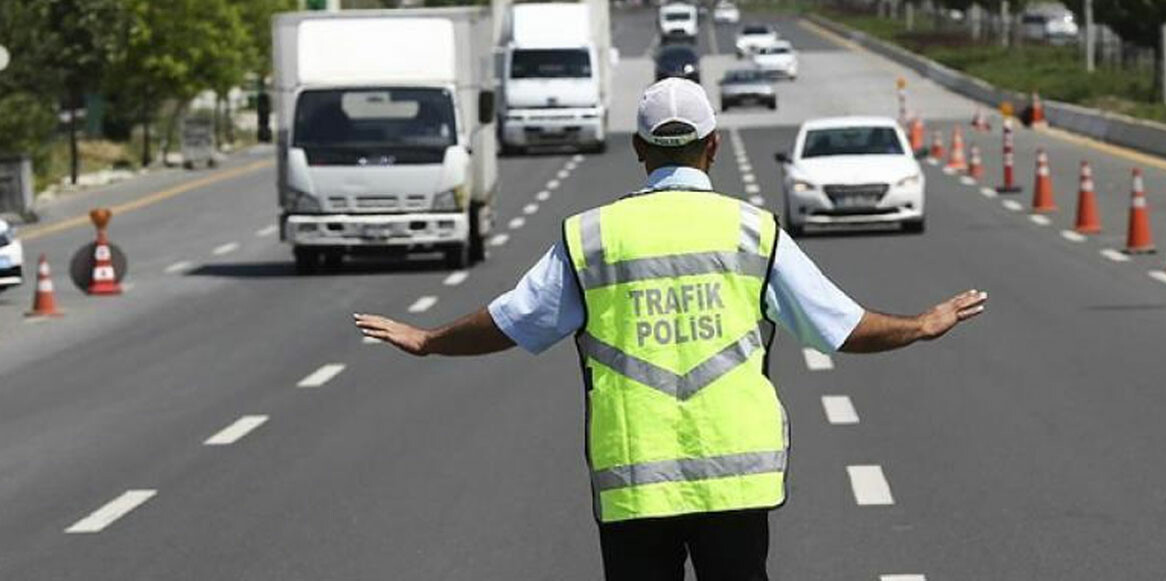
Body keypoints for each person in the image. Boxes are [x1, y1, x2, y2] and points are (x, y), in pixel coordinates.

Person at [353, 78, 987, 581]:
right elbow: (841, 328)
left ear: (638, 149)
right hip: (736, 481)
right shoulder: (752, 231)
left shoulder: (593, 237)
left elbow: (514, 321)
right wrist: (921, 324)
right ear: (712, 147)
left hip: (634, 480)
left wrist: (428, 340)